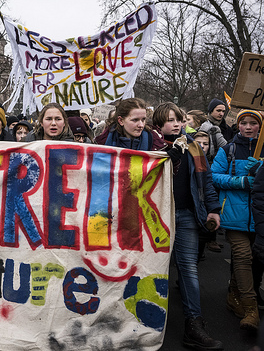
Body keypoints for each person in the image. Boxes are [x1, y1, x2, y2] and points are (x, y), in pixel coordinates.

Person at [152, 102, 223, 350]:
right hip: (155, 218)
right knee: (152, 268)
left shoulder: (194, 148)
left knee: (188, 269)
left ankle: (194, 325)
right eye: (170, 120)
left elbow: (206, 181)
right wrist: (160, 160)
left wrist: (213, 209)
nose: (176, 123)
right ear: (159, 125)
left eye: (179, 119)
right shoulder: (151, 148)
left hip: (185, 216)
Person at [212, 109, 263, 331]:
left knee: (255, 259)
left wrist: (262, 169)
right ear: (238, 126)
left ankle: (234, 295)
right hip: (234, 216)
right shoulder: (228, 149)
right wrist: (241, 181)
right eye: (245, 123)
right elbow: (213, 176)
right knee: (242, 256)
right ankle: (252, 309)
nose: (249, 127)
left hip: (259, 217)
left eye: (253, 123)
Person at [94, 98, 166, 151]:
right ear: (121, 121)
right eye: (135, 120)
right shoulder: (101, 144)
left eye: (143, 119)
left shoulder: (156, 144)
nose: (141, 125)